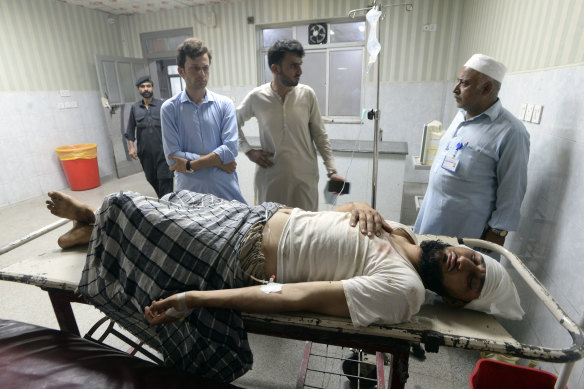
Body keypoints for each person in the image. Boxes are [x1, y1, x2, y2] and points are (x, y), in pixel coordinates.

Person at [45, 189, 523, 381]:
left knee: (129, 206)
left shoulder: (405, 291)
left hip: (237, 253)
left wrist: (197, 298)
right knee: (174, 197)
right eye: (477, 261)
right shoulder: (404, 233)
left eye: (472, 281)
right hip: (256, 214)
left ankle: (92, 220)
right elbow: (335, 219)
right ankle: (94, 230)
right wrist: (355, 204)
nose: (468, 263)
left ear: (456, 299)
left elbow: (295, 296)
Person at [414, 54, 530, 247]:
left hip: (465, 235)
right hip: (431, 221)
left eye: (464, 83)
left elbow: (512, 190)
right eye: (458, 81)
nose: (455, 89)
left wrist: (497, 234)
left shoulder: (511, 132)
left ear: (487, 88)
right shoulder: (461, 116)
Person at [237, 39, 346, 211]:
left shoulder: (307, 95)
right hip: (270, 180)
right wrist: (249, 151)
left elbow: (320, 135)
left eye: (300, 65)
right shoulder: (257, 97)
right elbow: (231, 124)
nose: (299, 71)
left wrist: (332, 171)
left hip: (304, 180)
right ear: (275, 68)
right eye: (293, 66)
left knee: (306, 231)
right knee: (270, 231)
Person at [161, 38, 246, 203]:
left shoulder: (225, 104)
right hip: (190, 194)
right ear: (181, 71)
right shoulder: (169, 109)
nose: (202, 74)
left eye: (205, 68)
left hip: (225, 189)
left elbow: (230, 149)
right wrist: (218, 162)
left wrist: (189, 165)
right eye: (194, 68)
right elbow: (173, 158)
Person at [125, 76, 174, 198]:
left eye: (148, 86)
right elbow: (130, 129)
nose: (146, 89)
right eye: (142, 87)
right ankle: (163, 201)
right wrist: (131, 147)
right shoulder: (135, 108)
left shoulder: (162, 105)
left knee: (165, 180)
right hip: (145, 153)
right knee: (151, 178)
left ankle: (166, 204)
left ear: (153, 88)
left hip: (163, 152)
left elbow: (173, 127)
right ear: (138, 89)